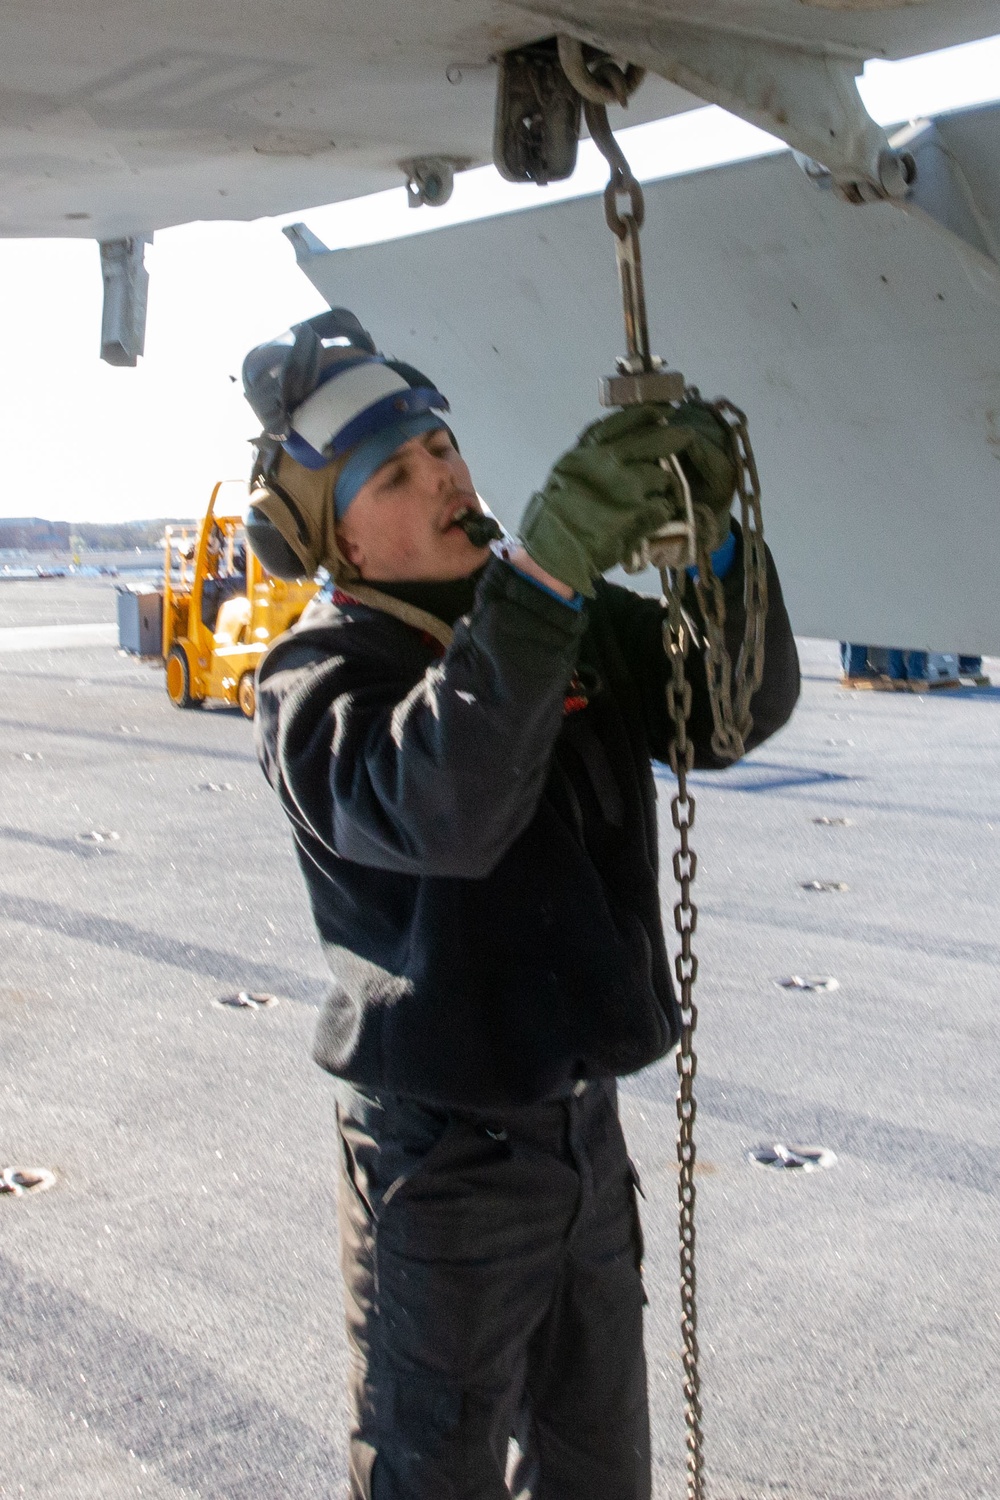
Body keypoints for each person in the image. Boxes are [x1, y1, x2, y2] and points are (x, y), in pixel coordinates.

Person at [241, 309, 800, 1500]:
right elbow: (449, 801)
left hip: (578, 1141)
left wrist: (713, 555)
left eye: (438, 445)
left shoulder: (559, 620)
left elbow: (725, 713)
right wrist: (543, 574)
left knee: (602, 1469)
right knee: (432, 1475)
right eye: (394, 473)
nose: (441, 472)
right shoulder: (316, 680)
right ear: (338, 541)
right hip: (438, 1168)